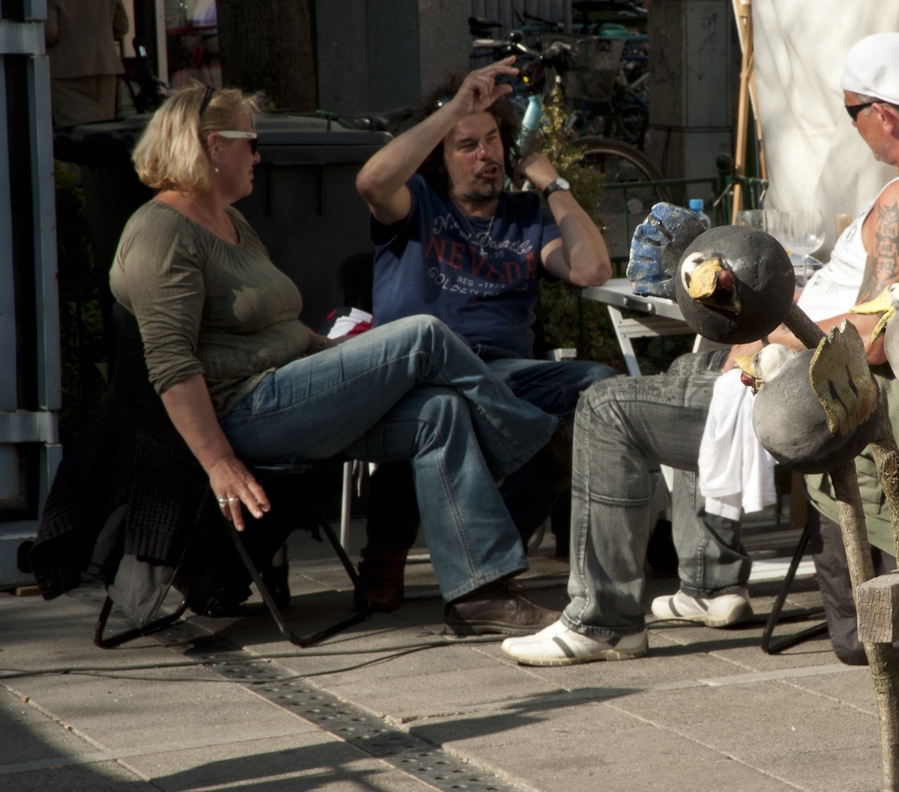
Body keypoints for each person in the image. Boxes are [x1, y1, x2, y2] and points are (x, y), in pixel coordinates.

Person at [501, 32, 899, 667]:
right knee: (691, 366)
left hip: (820, 395)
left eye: (853, 115)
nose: (857, 130)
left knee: (607, 408)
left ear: (882, 114)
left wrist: (771, 325)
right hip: (869, 392)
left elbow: (882, 333)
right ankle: (710, 584)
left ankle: (600, 620)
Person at [111, 82, 566, 635]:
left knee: (439, 412)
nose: (258, 155)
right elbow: (170, 363)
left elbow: (272, 324)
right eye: (249, 143)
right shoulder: (161, 231)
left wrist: (338, 356)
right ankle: (536, 446)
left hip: (291, 389)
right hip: (246, 411)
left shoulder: (229, 221)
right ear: (211, 146)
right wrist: (218, 463)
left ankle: (481, 592)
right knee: (422, 333)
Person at [352, 59, 616, 609]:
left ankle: (493, 561)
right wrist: (455, 109)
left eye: (492, 139)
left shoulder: (525, 216)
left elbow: (591, 270)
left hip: (507, 374)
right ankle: (389, 551)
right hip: (424, 366)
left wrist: (554, 184)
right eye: (466, 145)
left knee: (598, 387)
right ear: (439, 160)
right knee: (438, 401)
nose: (485, 155)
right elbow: (372, 180)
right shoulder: (415, 206)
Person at [45, 0, 128, 127]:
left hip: (65, 70)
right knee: (104, 128)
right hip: (105, 67)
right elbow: (122, 27)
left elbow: (49, 32)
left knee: (73, 133)